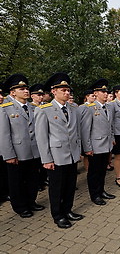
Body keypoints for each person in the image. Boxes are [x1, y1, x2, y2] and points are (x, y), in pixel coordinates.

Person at [35, 72, 84, 229]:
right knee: (57, 187)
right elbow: (42, 138)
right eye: (63, 90)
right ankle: (58, 215)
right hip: (55, 156)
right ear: (53, 91)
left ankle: (68, 210)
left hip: (71, 154)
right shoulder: (44, 110)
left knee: (70, 185)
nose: (67, 92)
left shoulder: (73, 108)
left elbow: (77, 131)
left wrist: (79, 151)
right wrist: (46, 159)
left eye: (68, 90)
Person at [0, 74, 44, 218]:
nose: (26, 91)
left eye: (26, 88)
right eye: (22, 88)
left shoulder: (32, 107)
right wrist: (9, 155)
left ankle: (31, 201)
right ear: (12, 92)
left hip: (33, 151)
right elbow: (4, 134)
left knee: (33, 179)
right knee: (17, 181)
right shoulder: (5, 109)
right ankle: (20, 206)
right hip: (17, 152)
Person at [80, 79, 116, 206]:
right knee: (94, 172)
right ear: (95, 93)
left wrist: (112, 139)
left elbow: (110, 126)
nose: (105, 94)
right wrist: (87, 148)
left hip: (106, 145)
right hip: (95, 146)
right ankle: (94, 195)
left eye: (106, 91)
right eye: (102, 91)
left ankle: (101, 191)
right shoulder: (89, 108)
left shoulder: (108, 107)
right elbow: (85, 130)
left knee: (102, 170)